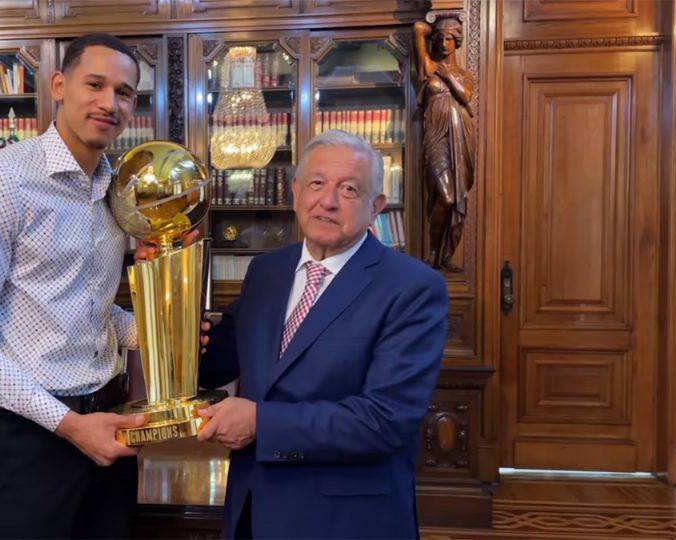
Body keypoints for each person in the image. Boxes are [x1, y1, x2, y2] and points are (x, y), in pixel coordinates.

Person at [0, 33, 147, 539]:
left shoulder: (117, 190)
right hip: (29, 441)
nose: (109, 103)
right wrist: (68, 425)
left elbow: (85, 307)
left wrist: (159, 332)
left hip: (109, 423)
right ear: (57, 86)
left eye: (124, 92)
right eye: (94, 84)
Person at [197, 130, 448, 539]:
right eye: (316, 183)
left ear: (375, 208)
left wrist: (262, 422)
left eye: (349, 189)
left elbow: (384, 420)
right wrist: (179, 327)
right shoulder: (267, 272)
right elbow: (216, 363)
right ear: (295, 191)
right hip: (253, 509)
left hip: (346, 520)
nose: (327, 201)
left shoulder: (412, 287)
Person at [413, 17, 477, 272]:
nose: (443, 42)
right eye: (439, 38)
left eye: (449, 38)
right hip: (435, 136)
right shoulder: (428, 66)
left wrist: (448, 76)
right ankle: (432, 251)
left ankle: (445, 255)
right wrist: (435, 28)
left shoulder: (464, 75)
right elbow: (419, 28)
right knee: (446, 195)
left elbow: (465, 95)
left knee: (455, 196)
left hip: (459, 134)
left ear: (457, 42)